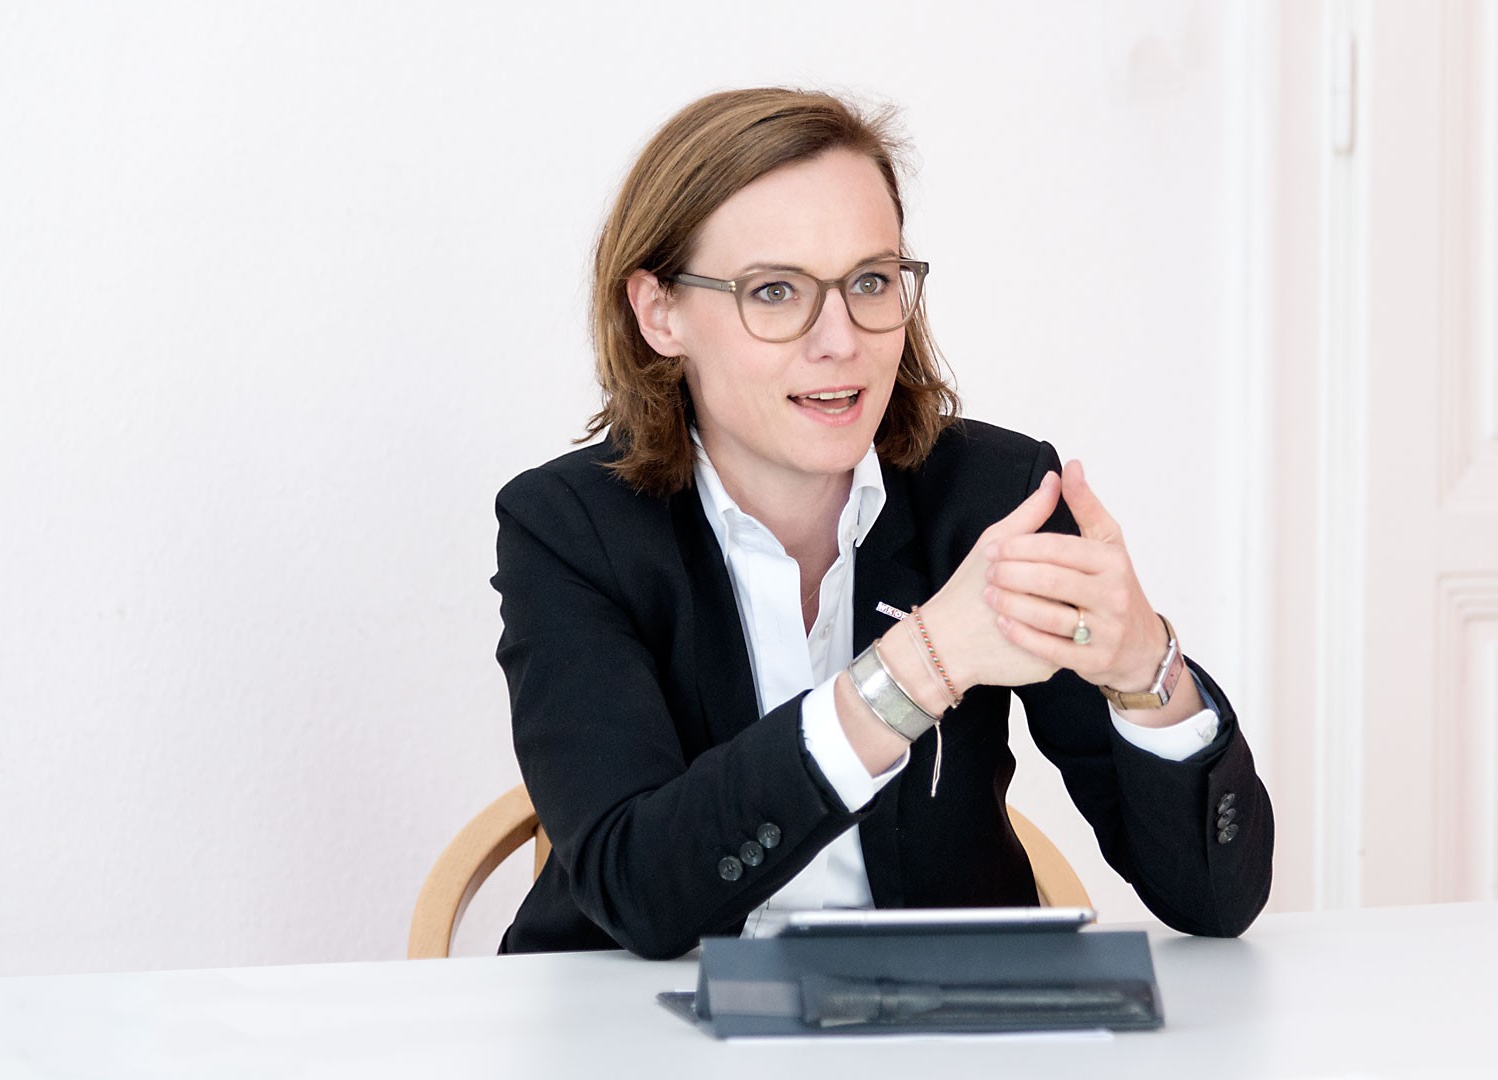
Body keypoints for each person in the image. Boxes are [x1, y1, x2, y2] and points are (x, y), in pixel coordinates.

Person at [491, 88, 1272, 959]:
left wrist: (1145, 669)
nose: (841, 340)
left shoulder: (996, 496)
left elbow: (1214, 901)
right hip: (634, 1014)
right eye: (775, 291)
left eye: (870, 281)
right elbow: (640, 891)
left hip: (931, 1015)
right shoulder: (569, 528)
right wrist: (919, 667)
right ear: (659, 312)